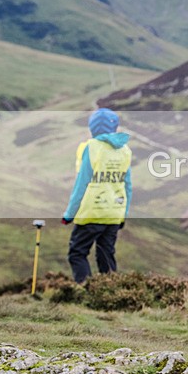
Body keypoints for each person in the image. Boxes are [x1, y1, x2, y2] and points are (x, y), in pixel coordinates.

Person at [61, 108, 132, 284]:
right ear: (115, 127)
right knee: (106, 255)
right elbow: (127, 186)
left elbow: (82, 184)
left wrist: (69, 214)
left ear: (92, 128)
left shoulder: (91, 148)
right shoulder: (124, 150)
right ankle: (112, 292)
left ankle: (86, 290)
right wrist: (123, 215)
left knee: (77, 253)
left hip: (92, 212)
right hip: (114, 213)